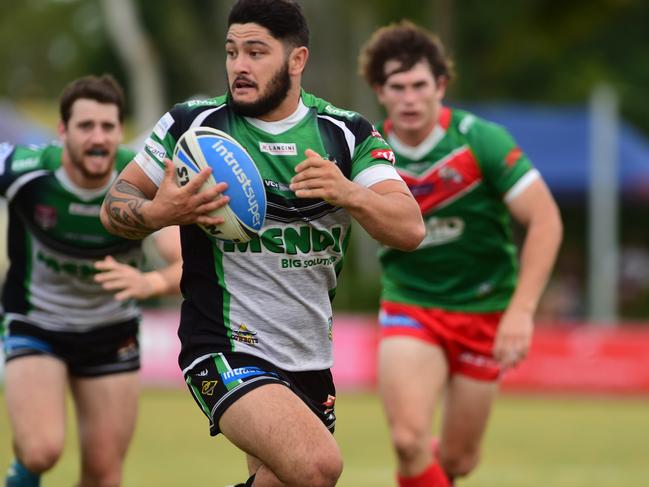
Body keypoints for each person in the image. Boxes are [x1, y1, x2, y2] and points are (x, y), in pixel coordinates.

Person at [99, 1, 425, 485]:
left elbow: (409, 228)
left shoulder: (346, 134)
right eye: (232, 52)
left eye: (256, 52)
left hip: (310, 357)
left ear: (297, 61)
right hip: (224, 347)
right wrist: (159, 213)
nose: (240, 66)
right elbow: (114, 205)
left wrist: (347, 192)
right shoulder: (193, 126)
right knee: (318, 466)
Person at [358, 21, 563, 487]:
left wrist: (522, 311)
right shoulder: (365, 151)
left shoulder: (481, 140)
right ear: (379, 91)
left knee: (458, 460)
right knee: (408, 441)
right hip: (411, 304)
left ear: (441, 86)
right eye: (397, 87)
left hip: (484, 310)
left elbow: (546, 220)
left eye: (419, 86)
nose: (409, 98)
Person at [1, 75, 182, 487]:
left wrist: (149, 284)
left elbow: (185, 266)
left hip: (111, 332)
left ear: (120, 131)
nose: (97, 138)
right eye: (85, 127)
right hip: (37, 325)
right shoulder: (25, 171)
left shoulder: (140, 184)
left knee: (104, 474)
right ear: (62, 131)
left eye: (107, 127)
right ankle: (24, 470)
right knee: (41, 449)